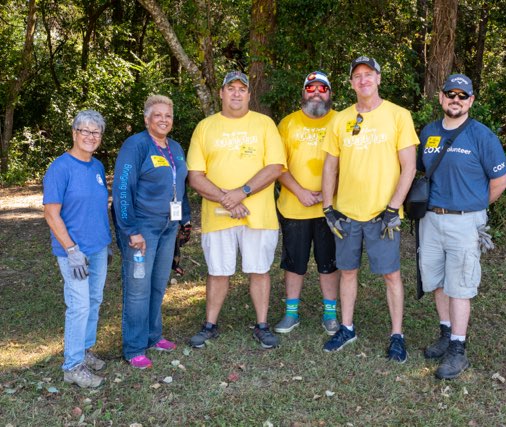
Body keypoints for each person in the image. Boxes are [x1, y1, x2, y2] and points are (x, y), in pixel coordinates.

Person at [321, 56, 418, 362]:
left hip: (383, 215)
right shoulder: (339, 120)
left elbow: (409, 167)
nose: (363, 80)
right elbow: (329, 168)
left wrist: (393, 207)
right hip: (347, 213)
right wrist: (327, 207)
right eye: (357, 76)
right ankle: (347, 327)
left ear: (378, 79)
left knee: (391, 275)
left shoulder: (398, 115)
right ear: (351, 83)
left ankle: (397, 335)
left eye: (369, 74)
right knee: (347, 271)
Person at [187, 71, 286, 349]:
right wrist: (226, 199)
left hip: (259, 216)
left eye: (242, 89)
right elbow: (195, 176)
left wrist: (241, 192)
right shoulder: (205, 127)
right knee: (218, 271)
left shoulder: (265, 124)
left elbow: (275, 167)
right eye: (231, 88)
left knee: (259, 270)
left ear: (249, 95)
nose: (236, 93)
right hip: (218, 216)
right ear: (221, 93)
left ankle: (263, 325)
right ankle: (209, 325)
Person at [418, 74, 506, 379]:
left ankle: (458, 349)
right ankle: (445, 334)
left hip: (465, 221)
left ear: (470, 101)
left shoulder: (482, 136)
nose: (455, 99)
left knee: (460, 285)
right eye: (450, 94)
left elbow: (500, 181)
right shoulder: (429, 132)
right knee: (438, 280)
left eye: (462, 95)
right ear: (441, 98)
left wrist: (475, 208)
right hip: (431, 219)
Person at [112, 95, 191, 369]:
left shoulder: (176, 147)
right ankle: (134, 347)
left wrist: (185, 219)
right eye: (157, 115)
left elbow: (181, 184)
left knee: (158, 284)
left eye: (168, 115)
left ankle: (153, 335)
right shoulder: (136, 145)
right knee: (137, 289)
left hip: (169, 226)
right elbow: (122, 189)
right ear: (147, 119)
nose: (163, 119)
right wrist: (130, 229)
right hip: (142, 228)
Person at [43, 110, 111, 388]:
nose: (90, 136)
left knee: (93, 302)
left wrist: (106, 242)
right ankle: (72, 365)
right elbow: (51, 214)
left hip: (97, 249)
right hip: (74, 253)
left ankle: (84, 350)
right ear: (74, 133)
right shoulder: (60, 168)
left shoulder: (97, 167)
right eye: (85, 131)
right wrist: (71, 250)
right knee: (79, 306)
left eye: (96, 132)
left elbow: (97, 209)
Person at [273, 71, 340, 336]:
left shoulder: (342, 121)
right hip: (294, 205)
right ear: (303, 92)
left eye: (322, 88)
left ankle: (330, 314)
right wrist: (299, 191)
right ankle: (291, 313)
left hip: (331, 207)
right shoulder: (287, 124)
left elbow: (351, 163)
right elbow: (277, 165)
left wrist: (328, 194)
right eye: (310, 88)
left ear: (330, 94)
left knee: (329, 261)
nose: (316, 92)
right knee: (294, 262)